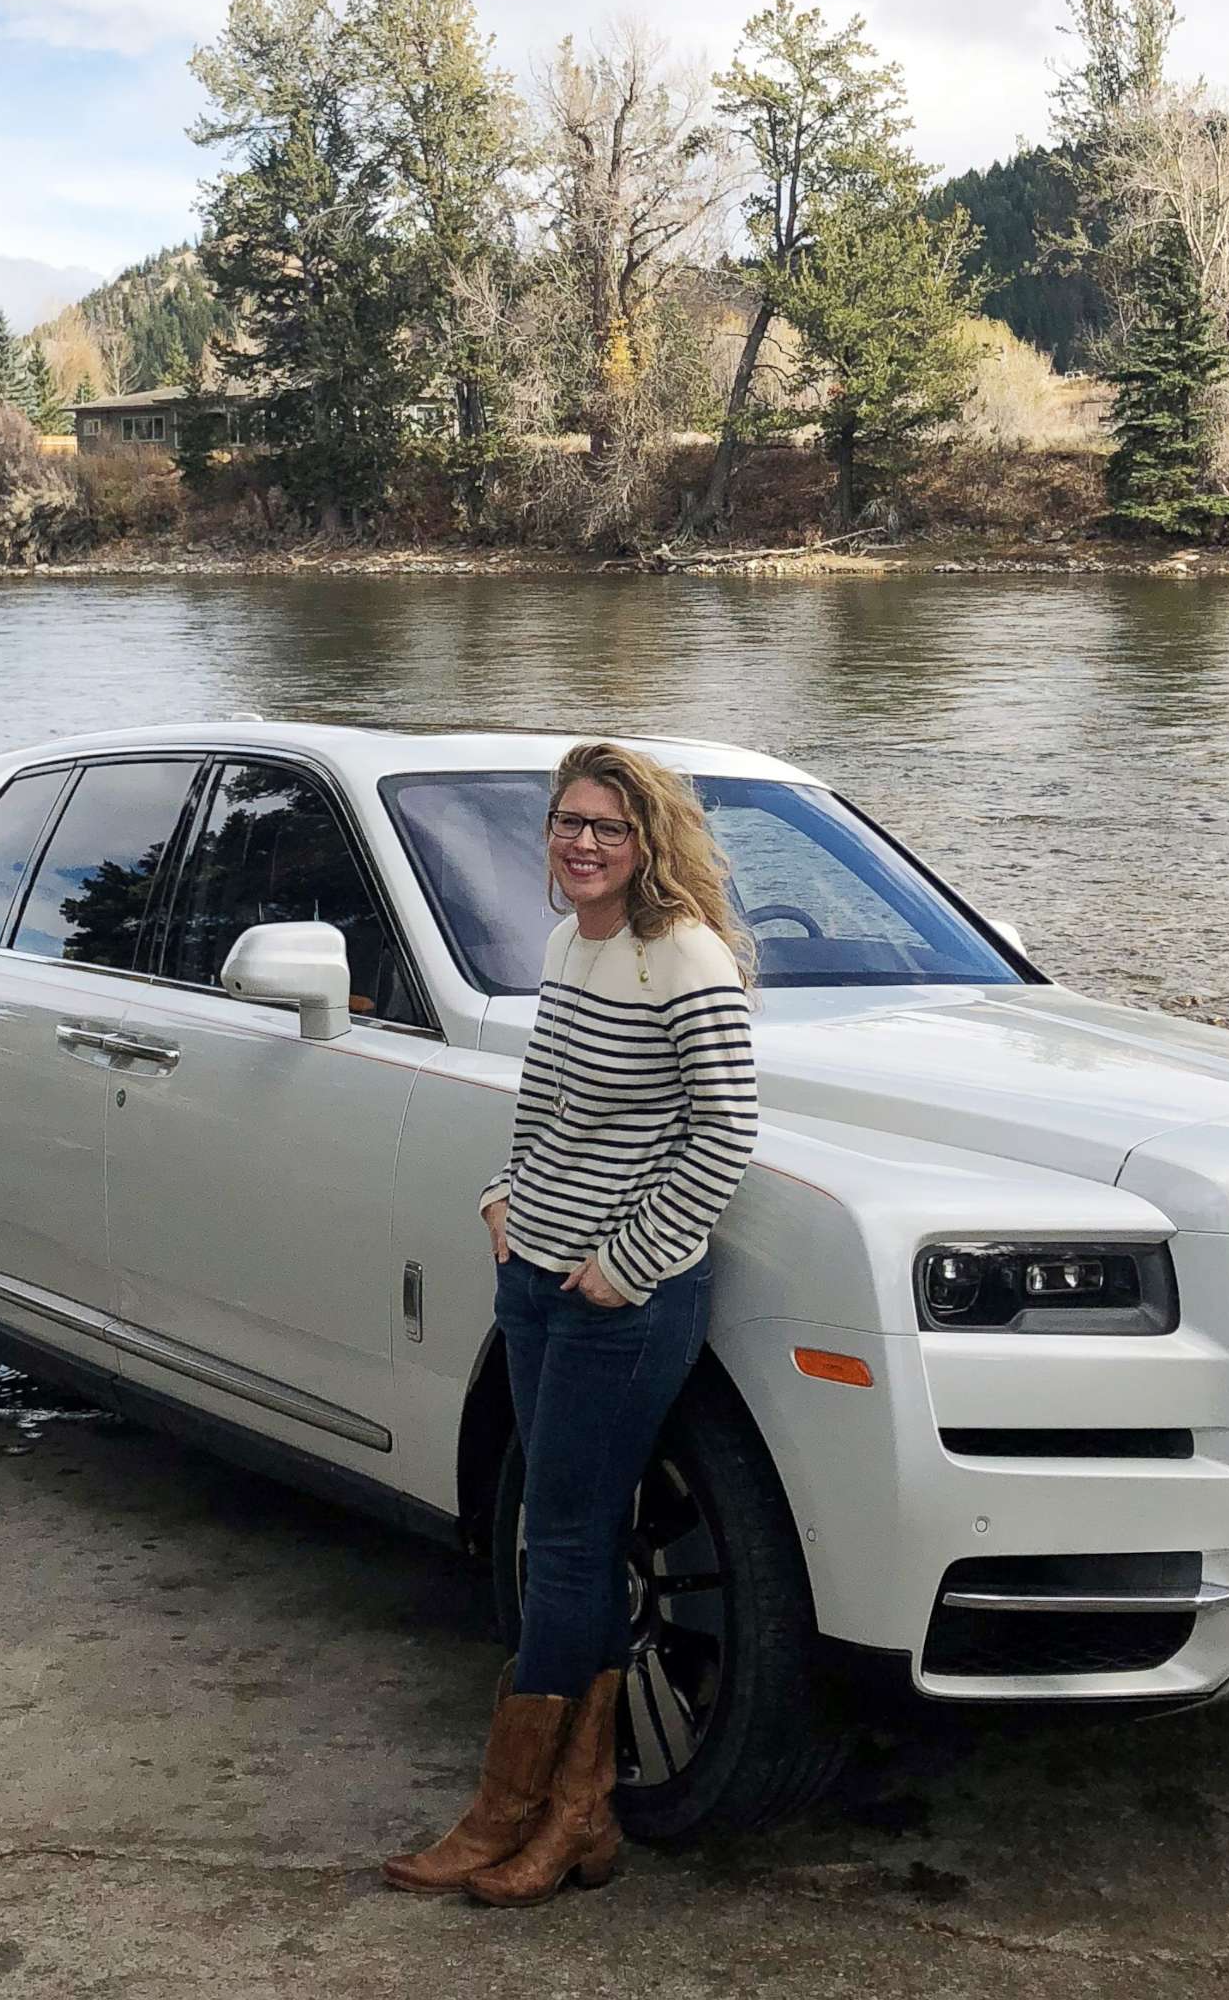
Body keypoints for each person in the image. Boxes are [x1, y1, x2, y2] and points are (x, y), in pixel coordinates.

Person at [383, 740, 759, 1907]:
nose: (582, 842)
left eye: (608, 824)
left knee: (566, 1545)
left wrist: (628, 1262)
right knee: (570, 1543)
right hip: (535, 1277)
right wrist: (505, 1198)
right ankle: (575, 1814)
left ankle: (516, 1812)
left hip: (621, 1303)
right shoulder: (569, 944)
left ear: (649, 839)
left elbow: (726, 1126)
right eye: (567, 823)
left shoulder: (681, 955)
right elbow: (546, 1096)